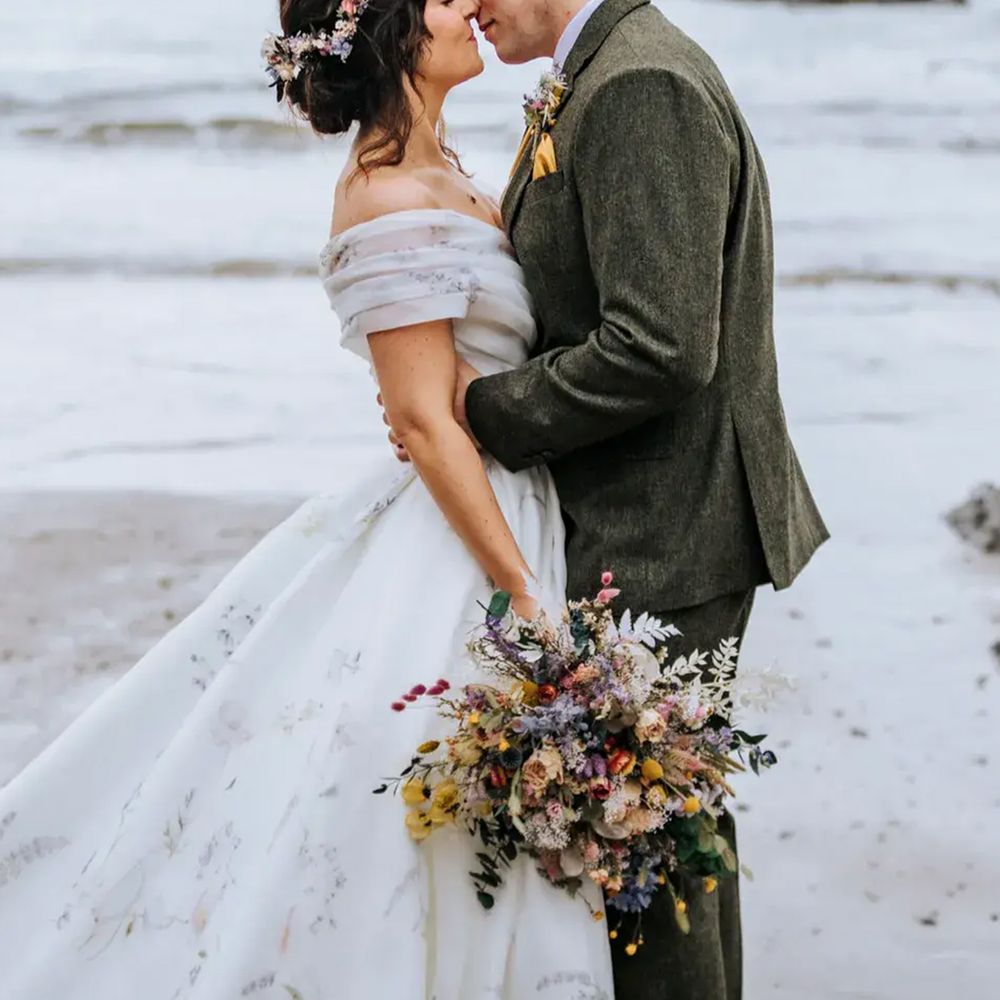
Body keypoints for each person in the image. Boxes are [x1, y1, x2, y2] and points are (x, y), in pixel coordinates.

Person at [0, 0, 618, 996]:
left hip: (518, 496)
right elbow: (422, 421)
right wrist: (521, 592)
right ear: (387, 34)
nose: (467, 6)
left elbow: (458, 383)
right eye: (438, 0)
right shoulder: (384, 194)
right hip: (472, 534)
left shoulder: (453, 171)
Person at [387, 0, 830, 996]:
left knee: (645, 847)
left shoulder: (639, 83)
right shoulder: (599, 70)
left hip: (668, 525)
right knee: (666, 836)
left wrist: (481, 408)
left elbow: (660, 346)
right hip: (637, 515)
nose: (465, 4)